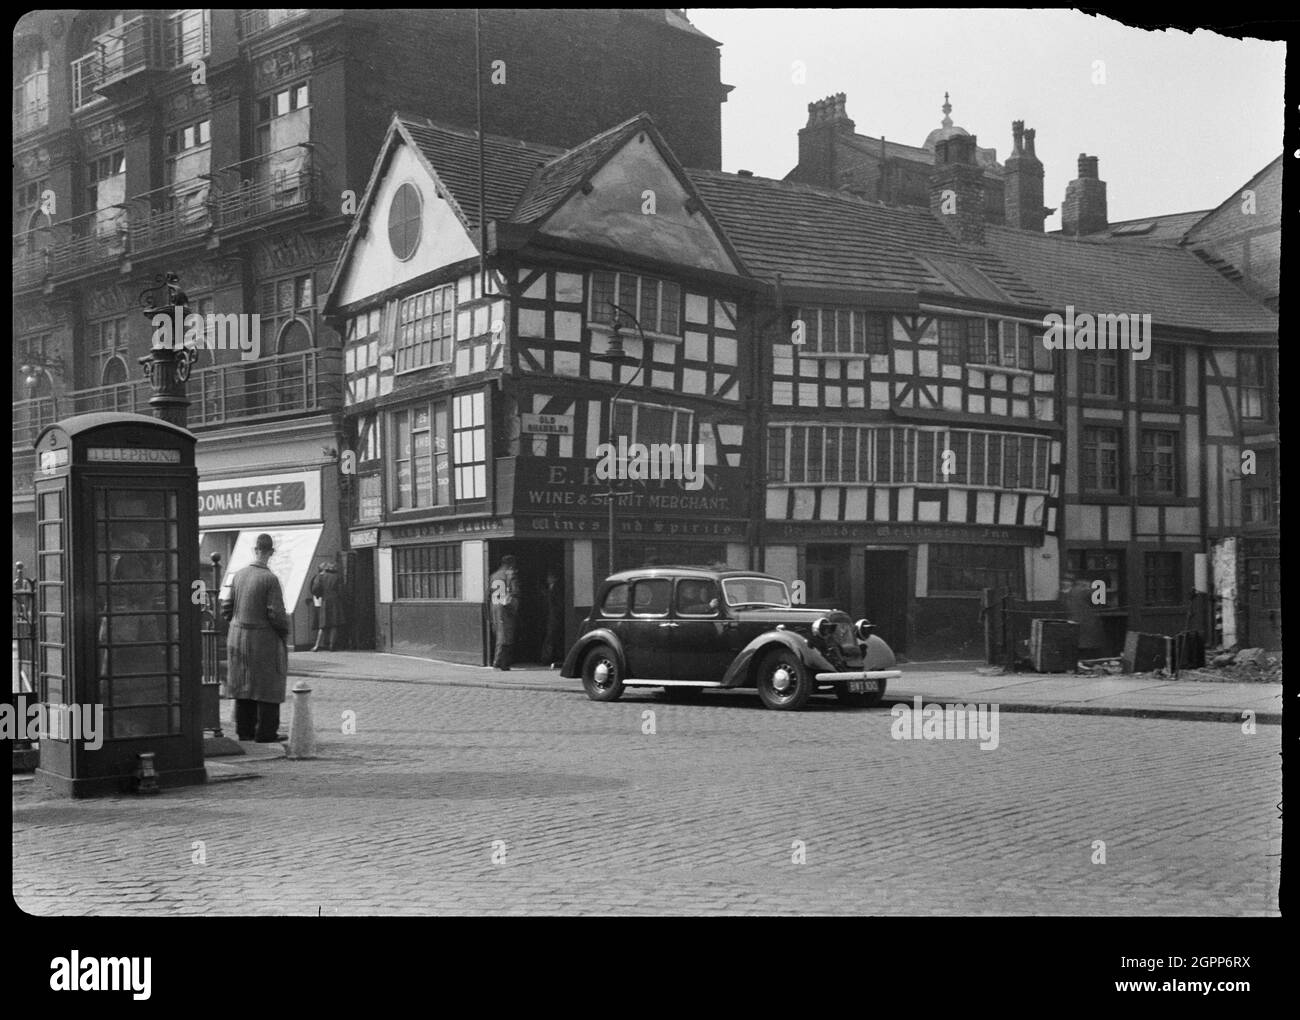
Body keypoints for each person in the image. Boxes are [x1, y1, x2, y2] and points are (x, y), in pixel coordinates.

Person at [221, 534, 289, 742]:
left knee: (243, 686)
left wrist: (236, 623)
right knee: (268, 685)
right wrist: (283, 632)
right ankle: (266, 733)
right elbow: (276, 614)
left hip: (237, 635)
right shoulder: (270, 579)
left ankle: (245, 731)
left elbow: (226, 608)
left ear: (255, 549)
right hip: (262, 638)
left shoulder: (239, 575)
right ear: (271, 552)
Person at [488, 554, 521, 670]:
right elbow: (515, 592)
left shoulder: (493, 576)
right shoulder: (510, 575)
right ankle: (501, 662)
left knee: (499, 634)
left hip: (494, 607)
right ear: (510, 564)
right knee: (506, 636)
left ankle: (498, 661)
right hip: (506, 608)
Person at [310, 560, 344, 652]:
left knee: (322, 625)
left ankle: (316, 645)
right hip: (335, 601)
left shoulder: (320, 577)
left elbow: (315, 589)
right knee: (334, 624)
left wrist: (319, 595)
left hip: (325, 601)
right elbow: (341, 591)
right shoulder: (337, 577)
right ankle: (332, 645)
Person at [539, 570, 565, 668]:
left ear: (554, 578)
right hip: (551, 616)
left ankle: (547, 658)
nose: (547, 579)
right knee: (551, 637)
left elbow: (557, 603)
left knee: (550, 637)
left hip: (554, 616)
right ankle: (549, 657)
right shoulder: (551, 588)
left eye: (549, 577)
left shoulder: (556, 588)